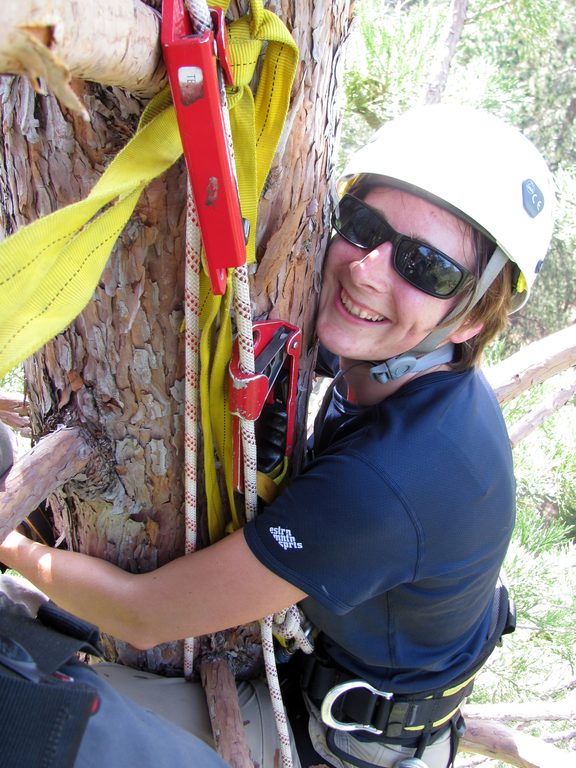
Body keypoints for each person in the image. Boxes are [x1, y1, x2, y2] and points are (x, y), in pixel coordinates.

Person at [0, 104, 556, 768]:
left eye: (425, 267)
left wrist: (10, 547)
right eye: (363, 226)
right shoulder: (402, 369)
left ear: (470, 317)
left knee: (29, 710)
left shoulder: (393, 478)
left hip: (332, 743)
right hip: (334, 681)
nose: (369, 269)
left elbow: (142, 615)